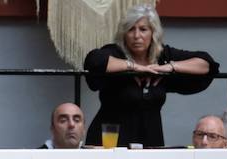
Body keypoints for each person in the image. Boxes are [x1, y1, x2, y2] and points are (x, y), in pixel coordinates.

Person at [83, 4, 219, 148]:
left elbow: (206, 63)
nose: (137, 36)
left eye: (143, 29)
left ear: (153, 33)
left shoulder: (162, 56)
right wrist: (133, 67)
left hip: (150, 140)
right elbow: (94, 60)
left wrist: (169, 67)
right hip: (111, 141)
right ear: (124, 34)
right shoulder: (116, 52)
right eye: (131, 29)